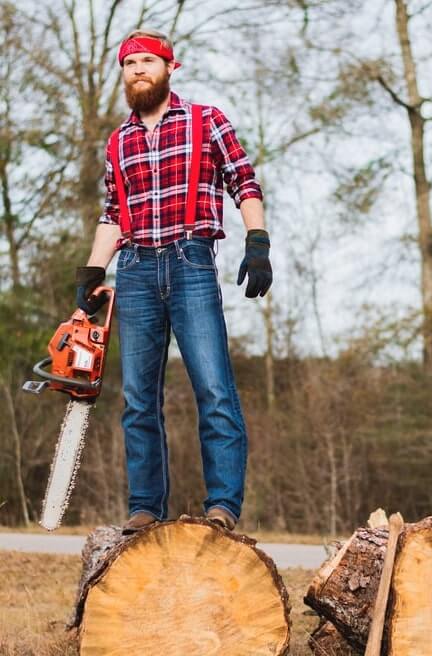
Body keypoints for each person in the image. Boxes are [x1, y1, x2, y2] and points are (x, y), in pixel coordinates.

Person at [75, 28, 272, 533]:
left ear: (169, 68)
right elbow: (114, 213)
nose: (138, 69)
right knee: (138, 399)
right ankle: (144, 508)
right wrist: (93, 273)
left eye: (148, 61)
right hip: (136, 269)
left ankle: (223, 507)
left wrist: (258, 242)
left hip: (192, 264)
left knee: (214, 389)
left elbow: (243, 181)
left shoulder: (207, 120)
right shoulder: (118, 140)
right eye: (129, 63)